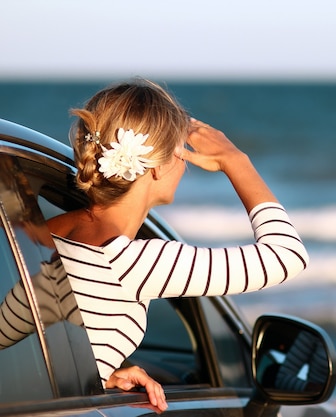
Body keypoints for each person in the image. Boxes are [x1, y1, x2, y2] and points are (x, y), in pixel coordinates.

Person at [45, 79, 309, 412]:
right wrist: (236, 161)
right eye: (179, 153)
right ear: (156, 165)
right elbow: (288, 256)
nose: (184, 165)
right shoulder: (131, 261)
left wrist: (93, 376)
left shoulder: (45, 231)